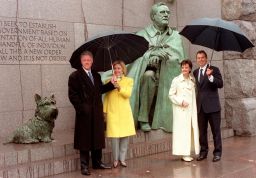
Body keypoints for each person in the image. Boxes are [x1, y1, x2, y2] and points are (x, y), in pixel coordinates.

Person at [127, 2, 186, 132]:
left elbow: (180, 58)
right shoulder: (142, 34)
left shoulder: (174, 36)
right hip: (149, 72)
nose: (166, 15)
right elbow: (133, 58)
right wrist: (150, 56)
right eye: (162, 12)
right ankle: (143, 119)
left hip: (169, 74)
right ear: (153, 16)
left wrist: (162, 58)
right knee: (148, 76)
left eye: (168, 12)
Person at [68, 51, 116, 176]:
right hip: (84, 114)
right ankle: (84, 166)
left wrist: (112, 84)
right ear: (81, 61)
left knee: (97, 138)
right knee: (84, 140)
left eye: (89, 60)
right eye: (85, 60)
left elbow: (100, 90)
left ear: (92, 61)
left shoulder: (95, 75)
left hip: (97, 112)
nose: (87, 62)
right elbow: (73, 96)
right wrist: (82, 108)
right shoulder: (75, 76)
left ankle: (97, 162)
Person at [103, 60, 136, 168]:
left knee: (124, 137)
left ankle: (122, 159)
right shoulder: (109, 81)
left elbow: (128, 94)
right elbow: (106, 97)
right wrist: (105, 111)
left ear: (123, 70)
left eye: (119, 68)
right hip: (112, 112)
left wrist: (119, 87)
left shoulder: (129, 81)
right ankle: (115, 159)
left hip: (124, 113)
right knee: (114, 137)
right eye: (115, 68)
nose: (117, 70)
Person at [193, 50, 223, 162]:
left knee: (216, 131)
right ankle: (203, 152)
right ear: (197, 60)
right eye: (198, 58)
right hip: (200, 107)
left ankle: (217, 153)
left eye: (202, 57)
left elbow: (220, 84)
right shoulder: (195, 72)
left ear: (206, 59)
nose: (200, 59)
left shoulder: (214, 70)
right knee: (202, 132)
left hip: (213, 107)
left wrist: (211, 77)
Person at [169, 59, 200, 162]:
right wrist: (181, 101)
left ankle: (189, 151)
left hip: (191, 110)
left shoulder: (192, 80)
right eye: (182, 67)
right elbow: (171, 95)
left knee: (190, 131)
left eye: (186, 67)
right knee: (183, 132)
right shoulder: (176, 80)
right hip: (181, 110)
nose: (184, 69)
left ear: (190, 68)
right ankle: (184, 154)